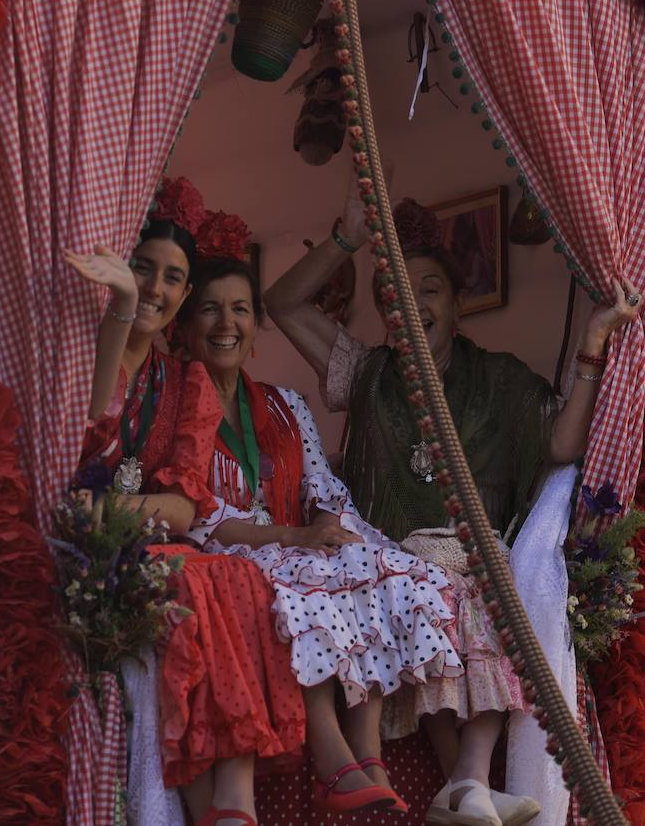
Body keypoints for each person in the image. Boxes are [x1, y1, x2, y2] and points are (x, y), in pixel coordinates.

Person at [263, 180, 643, 826]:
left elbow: (562, 440)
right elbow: (282, 302)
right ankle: (462, 783)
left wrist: (592, 345)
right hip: (387, 581)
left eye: (428, 290)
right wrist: (345, 240)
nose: (410, 306)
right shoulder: (365, 372)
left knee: (490, 586)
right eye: (395, 294)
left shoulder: (499, 379)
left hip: (473, 574)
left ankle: (464, 783)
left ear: (458, 305)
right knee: (434, 597)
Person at [177, 254, 466, 820]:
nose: (225, 323)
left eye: (239, 310)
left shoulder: (287, 405)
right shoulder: (176, 412)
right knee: (302, 577)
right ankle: (333, 757)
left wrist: (341, 530)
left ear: (256, 333)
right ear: (184, 331)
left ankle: (370, 760)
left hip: (297, 540)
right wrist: (297, 535)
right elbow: (198, 517)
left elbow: (323, 485)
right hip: (232, 553)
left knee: (380, 569)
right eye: (209, 310)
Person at [66, 180, 305, 826]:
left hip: (142, 545)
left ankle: (235, 805)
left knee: (235, 575)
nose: (157, 289)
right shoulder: (79, 356)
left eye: (174, 278)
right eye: (143, 270)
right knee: (200, 579)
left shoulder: (188, 383)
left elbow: (184, 511)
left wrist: (110, 509)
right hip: (88, 561)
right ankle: (217, 810)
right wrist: (120, 305)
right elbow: (91, 429)